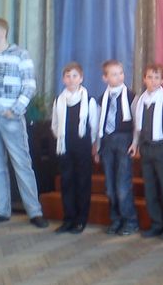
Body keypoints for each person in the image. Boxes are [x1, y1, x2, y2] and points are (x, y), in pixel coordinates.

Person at [0, 17, 48, 229]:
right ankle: (1, 210)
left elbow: (29, 86)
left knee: (22, 164)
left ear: (3, 32)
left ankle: (35, 212)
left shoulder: (20, 55)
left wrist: (15, 110)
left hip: (10, 118)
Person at [51, 62, 98, 234]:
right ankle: (68, 219)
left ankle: (81, 220)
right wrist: (61, 138)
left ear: (81, 78)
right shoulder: (59, 100)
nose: (71, 80)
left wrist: (92, 144)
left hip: (83, 147)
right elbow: (55, 124)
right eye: (68, 76)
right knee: (67, 182)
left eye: (75, 76)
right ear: (63, 79)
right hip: (65, 148)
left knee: (82, 182)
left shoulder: (89, 100)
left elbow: (94, 126)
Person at [134, 64, 163, 239]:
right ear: (144, 79)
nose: (153, 81)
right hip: (146, 149)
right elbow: (137, 128)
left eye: (156, 78)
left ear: (162, 80)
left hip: (162, 149)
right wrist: (136, 144)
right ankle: (156, 223)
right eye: (150, 77)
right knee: (150, 188)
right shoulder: (140, 101)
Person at [97, 59, 138, 236]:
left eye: (121, 73)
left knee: (122, 185)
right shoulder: (101, 99)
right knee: (110, 186)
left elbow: (137, 123)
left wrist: (135, 142)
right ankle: (116, 219)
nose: (119, 77)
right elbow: (98, 124)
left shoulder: (131, 96)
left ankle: (130, 220)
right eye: (114, 74)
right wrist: (97, 146)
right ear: (105, 78)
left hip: (124, 140)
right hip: (107, 141)